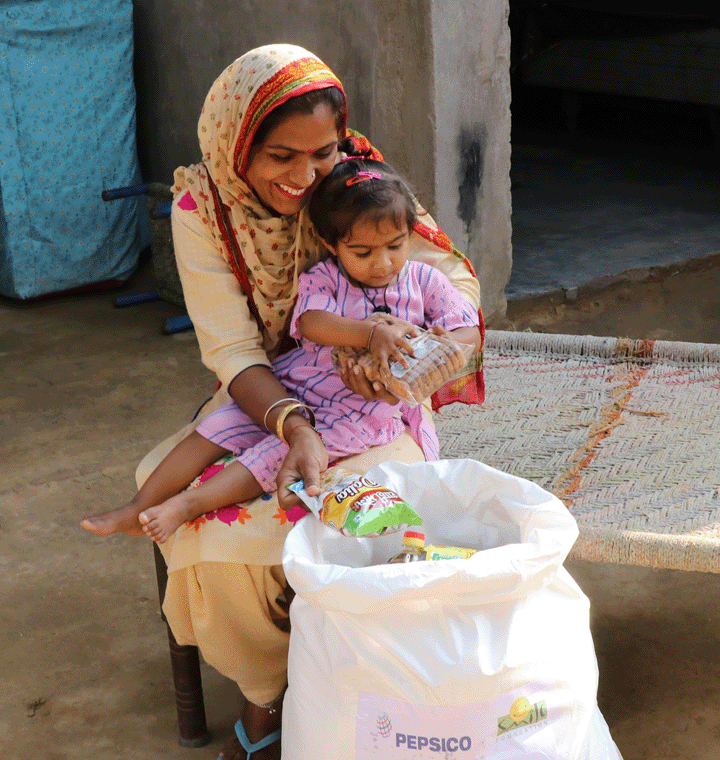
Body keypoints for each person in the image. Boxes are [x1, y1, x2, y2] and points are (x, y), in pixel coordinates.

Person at [81, 44, 484, 760]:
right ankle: (270, 687)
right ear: (236, 143)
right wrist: (293, 422)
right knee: (194, 523)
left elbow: (448, 289)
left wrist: (404, 358)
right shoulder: (198, 207)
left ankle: (326, 688)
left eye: (320, 153)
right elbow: (235, 351)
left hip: (374, 412)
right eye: (279, 156)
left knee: (319, 523)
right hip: (271, 394)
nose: (304, 178)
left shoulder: (361, 181)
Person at [84, 158, 483, 546]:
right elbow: (311, 323)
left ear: (410, 235)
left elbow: (467, 331)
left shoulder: (425, 280)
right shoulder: (323, 278)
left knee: (274, 453)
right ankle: (137, 506)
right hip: (297, 384)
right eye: (362, 252)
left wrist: (436, 349)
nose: (382, 263)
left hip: (358, 411)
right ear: (330, 242)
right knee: (216, 427)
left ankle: (187, 505)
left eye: (395, 246)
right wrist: (369, 333)